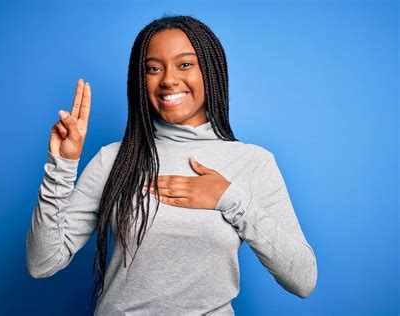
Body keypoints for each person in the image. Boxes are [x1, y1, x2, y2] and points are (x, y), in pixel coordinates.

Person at [26, 14, 318, 315]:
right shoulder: (114, 159)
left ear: (210, 70)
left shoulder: (252, 163)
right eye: (153, 68)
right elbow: (43, 262)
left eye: (185, 64)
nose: (167, 79)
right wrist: (62, 164)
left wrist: (231, 200)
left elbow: (303, 279)